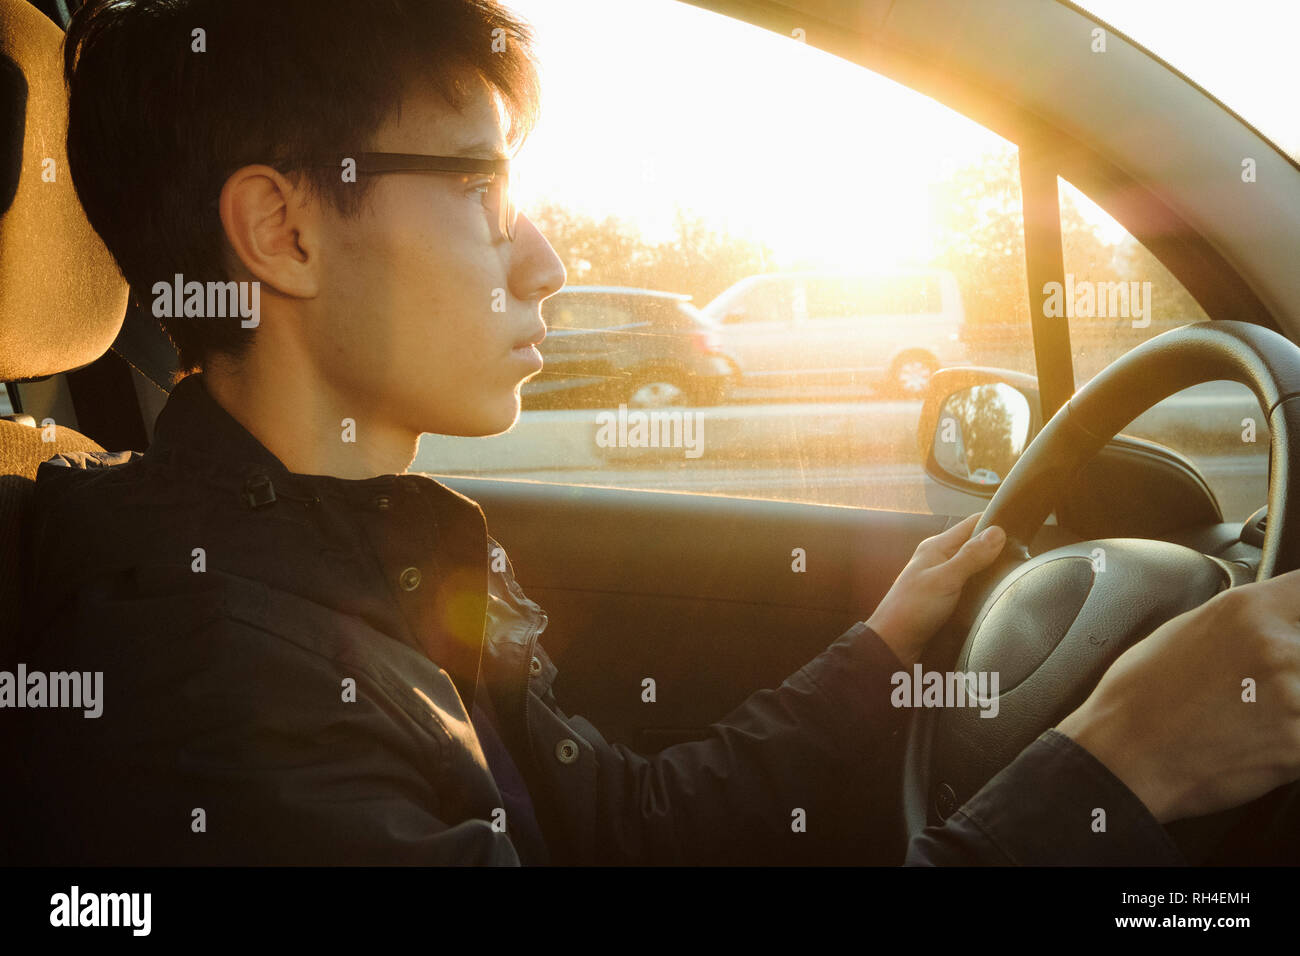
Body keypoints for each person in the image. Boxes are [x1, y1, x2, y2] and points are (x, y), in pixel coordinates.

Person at [17, 0, 1300, 865]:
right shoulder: (221, 699)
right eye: (476, 189)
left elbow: (626, 821)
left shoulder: (360, 548)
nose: (545, 259)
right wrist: (1111, 769)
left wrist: (884, 638)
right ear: (283, 232)